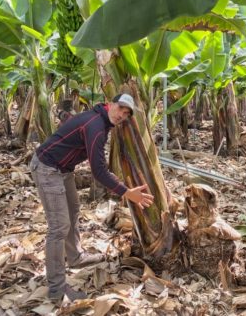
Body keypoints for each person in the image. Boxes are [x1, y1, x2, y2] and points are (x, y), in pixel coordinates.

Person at [30, 93, 154, 301]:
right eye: (120, 108)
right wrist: (127, 192)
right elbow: (98, 171)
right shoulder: (96, 126)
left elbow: (71, 121)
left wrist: (61, 113)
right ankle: (57, 288)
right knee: (59, 226)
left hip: (63, 170)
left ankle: (76, 257)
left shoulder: (98, 119)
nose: (122, 115)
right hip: (47, 168)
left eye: (126, 113)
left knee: (73, 210)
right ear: (110, 104)